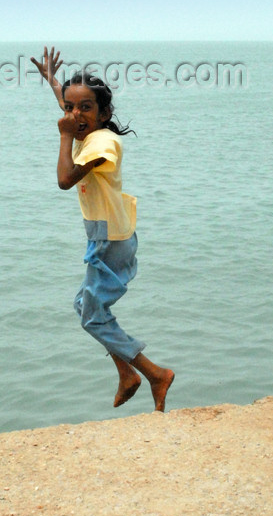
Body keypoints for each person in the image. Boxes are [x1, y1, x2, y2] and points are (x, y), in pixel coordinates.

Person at [31, 47, 174, 411]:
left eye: (85, 108)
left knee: (92, 316)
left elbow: (64, 180)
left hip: (110, 240)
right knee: (84, 307)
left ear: (104, 113)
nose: (74, 115)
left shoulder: (104, 144)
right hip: (107, 234)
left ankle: (154, 373)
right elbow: (72, 109)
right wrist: (52, 81)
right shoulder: (87, 129)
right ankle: (128, 375)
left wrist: (64, 136)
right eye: (69, 107)